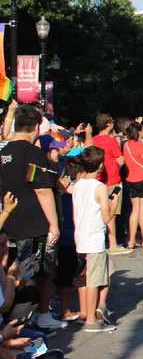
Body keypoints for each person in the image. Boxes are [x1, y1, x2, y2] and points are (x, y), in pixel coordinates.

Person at [0, 104, 68, 330]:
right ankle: (42, 314)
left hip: (8, 223)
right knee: (40, 271)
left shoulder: (3, 152)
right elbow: (42, 190)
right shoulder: (34, 154)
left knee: (12, 272)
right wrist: (54, 225)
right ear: (36, 127)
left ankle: (13, 322)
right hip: (35, 225)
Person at [69, 146, 117, 333]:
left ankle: (84, 314)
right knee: (93, 281)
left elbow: (76, 213)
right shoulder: (100, 187)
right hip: (94, 238)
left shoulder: (78, 185)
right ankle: (91, 320)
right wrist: (114, 203)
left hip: (80, 236)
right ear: (101, 165)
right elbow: (106, 217)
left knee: (83, 279)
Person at [89, 115, 128, 256]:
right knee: (111, 213)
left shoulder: (93, 140)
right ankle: (113, 244)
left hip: (97, 180)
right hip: (112, 179)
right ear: (108, 124)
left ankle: (102, 242)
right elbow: (121, 160)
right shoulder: (111, 141)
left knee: (98, 212)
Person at [121, 122, 143, 250]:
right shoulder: (141, 145)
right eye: (142, 130)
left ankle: (131, 240)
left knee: (135, 209)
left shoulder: (126, 145)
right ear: (139, 132)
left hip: (131, 178)